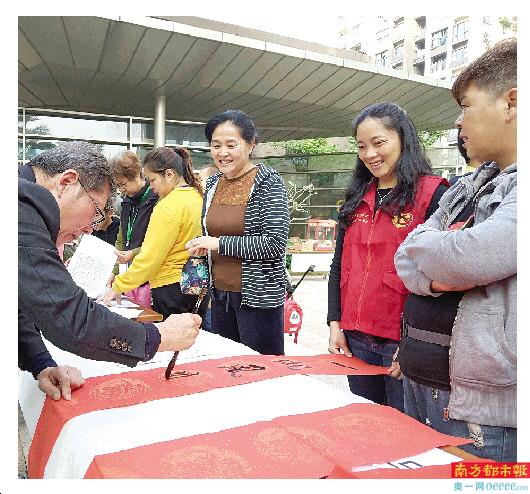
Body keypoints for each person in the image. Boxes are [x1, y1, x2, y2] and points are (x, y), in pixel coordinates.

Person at [394, 39, 517, 461]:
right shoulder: (468, 185)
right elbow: (404, 257)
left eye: (466, 106)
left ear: (511, 103)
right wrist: (438, 268)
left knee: (478, 486)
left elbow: (473, 255)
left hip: (484, 413)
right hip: (422, 384)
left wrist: (433, 251)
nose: (459, 122)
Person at [19, 141, 202, 400]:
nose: (89, 228)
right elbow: (70, 318)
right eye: (95, 212)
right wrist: (157, 336)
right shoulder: (21, 208)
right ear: (67, 182)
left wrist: (40, 362)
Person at [327, 102, 448, 411]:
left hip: (399, 342)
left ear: (403, 139)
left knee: (401, 427)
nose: (370, 154)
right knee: (365, 421)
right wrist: (335, 322)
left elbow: (440, 276)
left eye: (379, 142)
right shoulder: (357, 197)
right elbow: (339, 264)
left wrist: (413, 344)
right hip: (355, 338)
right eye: (361, 146)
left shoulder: (433, 194)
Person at [187, 110, 289, 355]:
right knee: (226, 364)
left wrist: (218, 243)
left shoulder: (268, 182)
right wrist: (203, 245)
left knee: (260, 368)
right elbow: (211, 231)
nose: (223, 153)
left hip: (258, 298)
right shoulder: (213, 184)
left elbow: (274, 243)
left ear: (251, 144)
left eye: (231, 145)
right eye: (216, 146)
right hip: (220, 297)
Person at [99, 147, 207, 320]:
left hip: (171, 286)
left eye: (153, 180)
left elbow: (151, 257)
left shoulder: (167, 205)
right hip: (196, 282)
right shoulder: (197, 196)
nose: (151, 186)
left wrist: (119, 285)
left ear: (169, 174)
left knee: (171, 334)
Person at [108, 150, 159, 307]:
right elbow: (121, 239)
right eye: (118, 186)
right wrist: (114, 271)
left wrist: (133, 253)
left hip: (152, 275)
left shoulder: (156, 198)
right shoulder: (126, 202)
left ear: (137, 175)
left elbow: (158, 242)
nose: (121, 190)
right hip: (131, 274)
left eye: (123, 184)